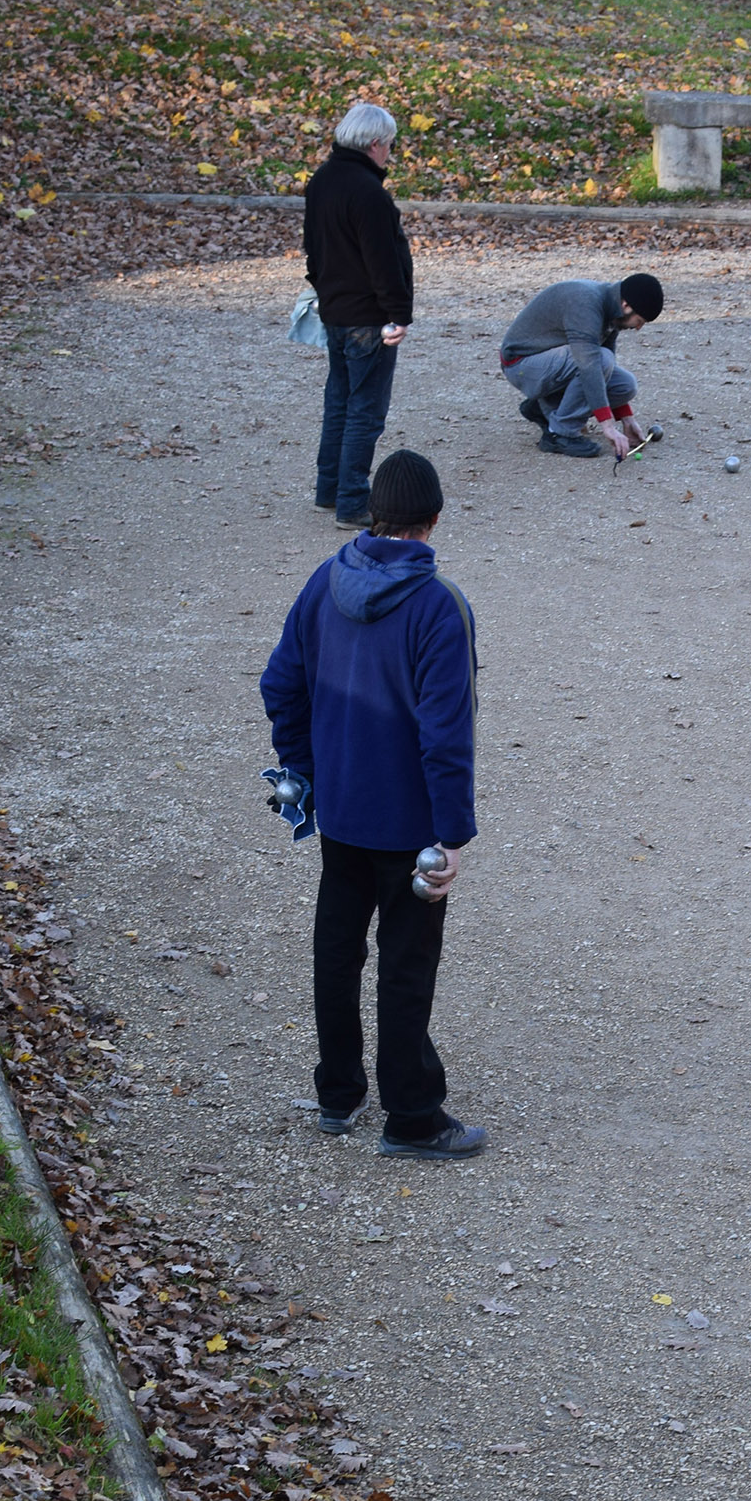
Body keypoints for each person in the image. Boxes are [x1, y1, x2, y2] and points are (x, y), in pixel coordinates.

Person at [260, 448, 485, 1162]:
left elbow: (280, 685)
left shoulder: (326, 582)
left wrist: (305, 768)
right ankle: (412, 1115)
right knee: (405, 964)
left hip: (343, 813)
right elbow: (445, 733)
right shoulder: (438, 605)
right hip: (411, 824)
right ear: (435, 519)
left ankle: (337, 1094)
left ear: (373, 515)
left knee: (336, 948)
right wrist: (451, 834)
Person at [304, 101, 413, 529]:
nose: (391, 152)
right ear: (374, 143)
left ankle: (328, 490)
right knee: (365, 411)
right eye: (389, 145)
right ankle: (352, 502)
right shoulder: (369, 193)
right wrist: (399, 314)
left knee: (339, 403)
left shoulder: (322, 181)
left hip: (335, 311)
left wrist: (323, 291)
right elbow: (383, 260)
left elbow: (313, 247)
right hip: (368, 316)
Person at [498, 272, 663, 459]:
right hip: (521, 364)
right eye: (640, 321)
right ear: (626, 306)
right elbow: (590, 365)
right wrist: (608, 426)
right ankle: (560, 434)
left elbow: (604, 371)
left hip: (550, 362)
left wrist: (626, 417)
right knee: (599, 360)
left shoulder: (613, 310)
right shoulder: (586, 303)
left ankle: (544, 408)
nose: (638, 328)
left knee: (625, 385)